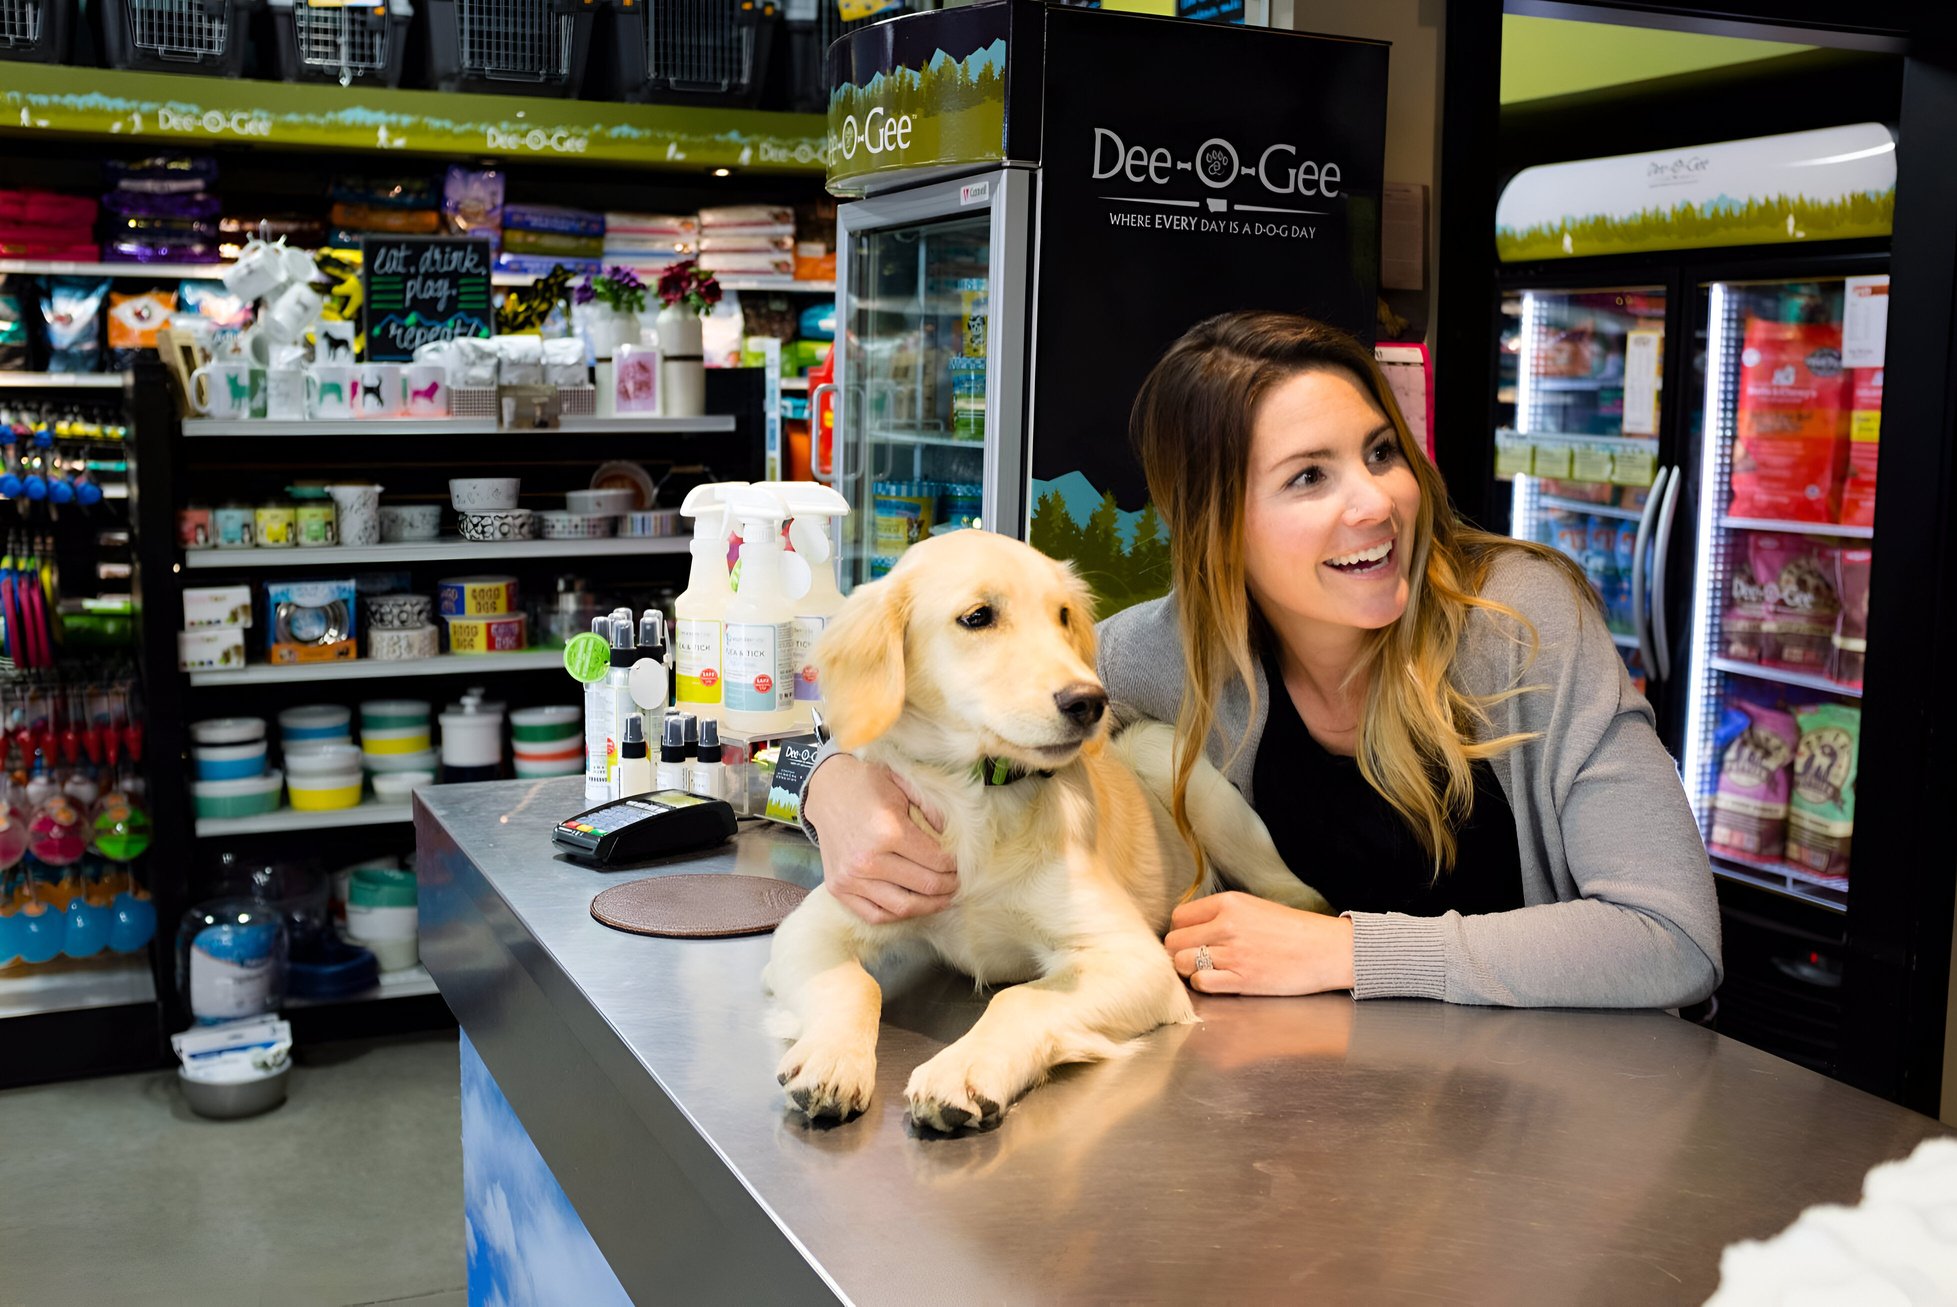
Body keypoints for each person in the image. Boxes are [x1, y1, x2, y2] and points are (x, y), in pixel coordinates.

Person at [803, 311, 1721, 1008]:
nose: (1374, 501)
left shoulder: (1517, 622)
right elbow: (933, 711)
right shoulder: (1158, 652)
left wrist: (1346, 952)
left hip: (1547, 1125)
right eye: (1308, 477)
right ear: (1216, 525)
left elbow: (1673, 936)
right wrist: (830, 784)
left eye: (1379, 452)